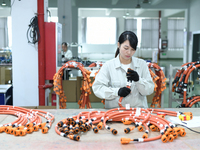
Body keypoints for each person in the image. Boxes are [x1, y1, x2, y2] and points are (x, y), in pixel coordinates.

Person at [92, 31, 154, 109]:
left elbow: (150, 89)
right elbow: (97, 88)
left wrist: (139, 80)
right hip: (115, 112)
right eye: (126, 48)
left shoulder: (142, 65)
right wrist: (116, 92)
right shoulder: (108, 66)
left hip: (138, 112)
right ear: (118, 45)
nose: (129, 52)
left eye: (132, 49)